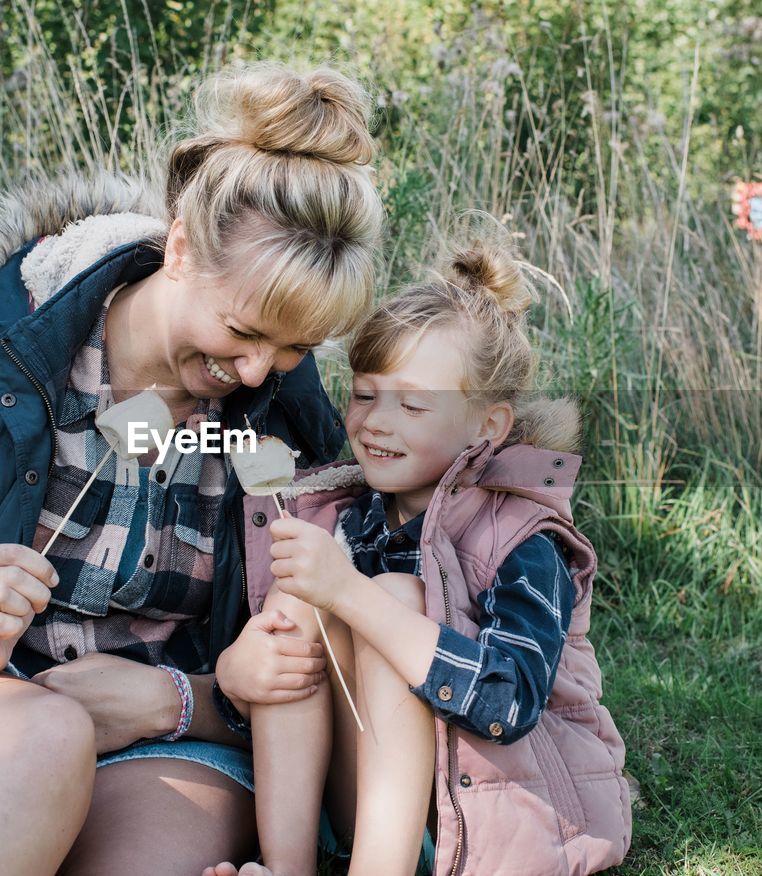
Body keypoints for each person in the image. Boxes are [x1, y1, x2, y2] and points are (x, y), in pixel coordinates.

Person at [0, 63, 385, 875]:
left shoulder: (283, 427)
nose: (263, 373)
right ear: (182, 249)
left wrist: (180, 700)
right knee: (43, 732)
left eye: (295, 348)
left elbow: (318, 677)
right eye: (243, 330)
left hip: (164, 753)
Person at [210, 224, 632, 876]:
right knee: (300, 591)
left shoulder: (521, 539)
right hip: (374, 803)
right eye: (367, 394)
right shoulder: (345, 517)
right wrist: (251, 658)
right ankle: (284, 866)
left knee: (388, 594)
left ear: (487, 425)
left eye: (412, 404)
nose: (376, 421)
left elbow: (508, 705)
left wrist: (352, 594)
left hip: (496, 814)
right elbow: (300, 667)